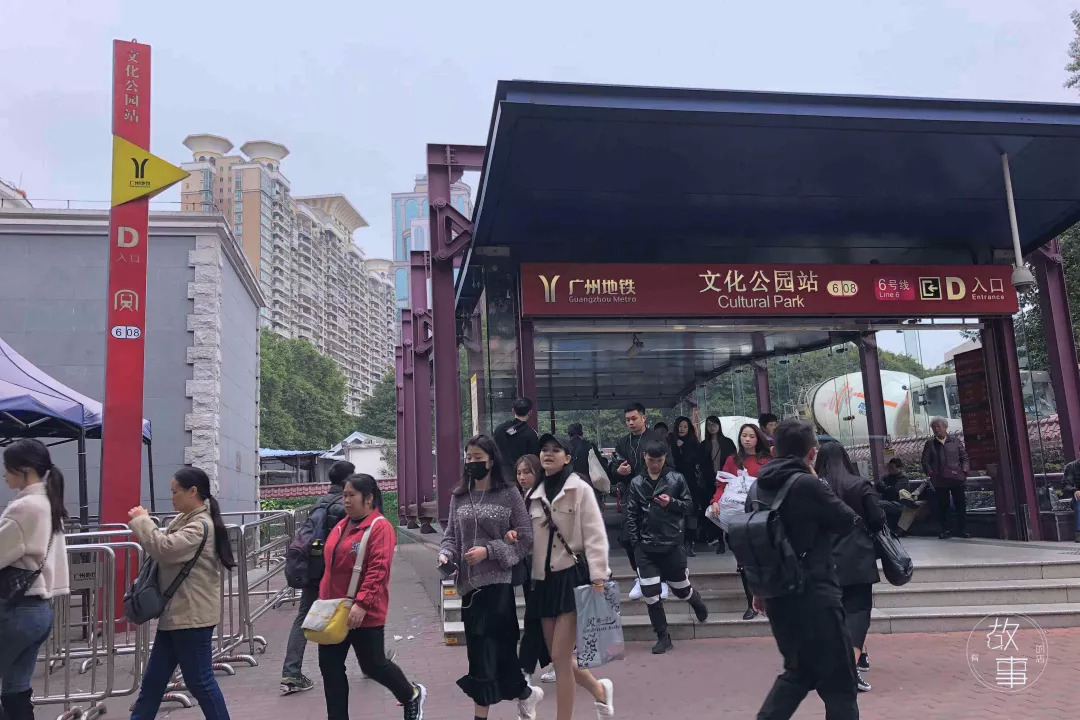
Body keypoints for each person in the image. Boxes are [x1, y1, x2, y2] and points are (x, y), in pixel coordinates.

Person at [750, 419, 862, 720]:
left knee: (798, 672)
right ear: (812, 453)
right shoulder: (808, 484)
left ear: (774, 451)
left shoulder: (757, 487)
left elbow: (755, 544)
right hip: (816, 594)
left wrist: (759, 589)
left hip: (776, 593)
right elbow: (847, 520)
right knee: (840, 683)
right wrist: (816, 480)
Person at [439, 436, 543, 720]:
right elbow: (450, 536)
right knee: (491, 654)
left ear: (491, 460)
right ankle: (525, 693)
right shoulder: (459, 495)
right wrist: (446, 554)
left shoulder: (508, 493)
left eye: (478, 457)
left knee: (486, 654)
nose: (472, 462)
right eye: (468, 457)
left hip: (498, 586)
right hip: (468, 587)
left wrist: (489, 551)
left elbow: (526, 538)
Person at [128, 467, 235, 720]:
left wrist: (142, 521)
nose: (172, 497)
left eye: (175, 492)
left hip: (191, 617)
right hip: (177, 614)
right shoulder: (186, 519)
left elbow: (165, 548)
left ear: (192, 492)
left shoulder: (199, 526)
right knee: (153, 684)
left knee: (200, 682)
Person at [317, 474, 426, 720]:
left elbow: (378, 570)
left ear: (368, 498)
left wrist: (362, 603)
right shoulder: (342, 525)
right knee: (330, 667)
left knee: (373, 665)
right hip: (335, 610)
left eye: (351, 495)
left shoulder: (380, 527)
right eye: (344, 495)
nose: (346, 500)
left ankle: (410, 695)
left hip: (364, 613)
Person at [522, 434, 615, 720]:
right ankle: (599, 690)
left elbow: (595, 534)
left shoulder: (579, 488)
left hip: (571, 578)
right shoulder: (533, 493)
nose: (548, 454)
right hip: (543, 582)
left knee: (561, 658)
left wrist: (599, 577)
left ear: (568, 457)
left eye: (556, 450)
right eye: (544, 450)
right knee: (557, 656)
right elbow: (528, 538)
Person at [0, 439, 70, 720]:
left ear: (25, 469)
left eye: (7, 468)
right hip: (37, 611)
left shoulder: (25, 507)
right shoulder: (48, 503)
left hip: (15, 611)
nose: (4, 474)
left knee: (15, 691)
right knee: (16, 690)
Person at [625, 440, 709, 654]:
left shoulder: (676, 478)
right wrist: (636, 544)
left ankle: (695, 600)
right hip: (645, 546)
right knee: (650, 594)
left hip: (671, 543)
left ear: (665, 459)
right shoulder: (636, 482)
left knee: (680, 589)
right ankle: (663, 636)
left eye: (659, 460)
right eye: (651, 460)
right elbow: (631, 514)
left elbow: (689, 506)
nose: (654, 464)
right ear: (644, 457)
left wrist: (671, 502)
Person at [815, 442, 886, 693]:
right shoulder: (859, 485)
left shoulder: (813, 488)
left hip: (823, 559)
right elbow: (877, 518)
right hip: (858, 558)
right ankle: (849, 667)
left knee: (832, 614)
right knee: (858, 612)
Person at [280, 460, 351, 695]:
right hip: (333, 572)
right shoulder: (344, 506)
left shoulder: (320, 503)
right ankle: (375, 663)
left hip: (312, 570)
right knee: (356, 611)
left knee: (303, 617)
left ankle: (291, 673)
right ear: (346, 480)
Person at [610, 402, 671, 599]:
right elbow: (614, 468)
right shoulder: (623, 442)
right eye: (627, 420)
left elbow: (670, 466)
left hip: (655, 494)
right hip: (632, 495)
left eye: (634, 418)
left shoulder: (657, 439)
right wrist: (619, 471)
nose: (630, 422)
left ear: (644, 418)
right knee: (628, 538)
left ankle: (661, 580)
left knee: (656, 538)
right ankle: (641, 576)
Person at [714, 423, 771, 619]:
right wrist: (716, 501)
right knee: (745, 563)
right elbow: (722, 485)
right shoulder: (733, 460)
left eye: (751, 436)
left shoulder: (767, 460)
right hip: (739, 518)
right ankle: (750, 605)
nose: (747, 439)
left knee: (763, 561)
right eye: (744, 435)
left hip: (761, 516)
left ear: (758, 439)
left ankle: (767, 601)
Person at [512, 456, 557, 686]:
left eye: (527, 472)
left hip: (546, 567)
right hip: (529, 566)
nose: (522, 477)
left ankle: (525, 669)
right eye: (519, 472)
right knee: (540, 617)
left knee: (534, 617)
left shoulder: (543, 498)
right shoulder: (520, 497)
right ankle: (555, 662)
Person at [920, 417, 971, 539]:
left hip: (956, 478)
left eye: (938, 426)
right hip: (939, 480)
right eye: (934, 427)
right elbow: (925, 461)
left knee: (960, 504)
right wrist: (931, 473)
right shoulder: (930, 444)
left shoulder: (955, 441)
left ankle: (962, 529)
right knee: (943, 505)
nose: (936, 429)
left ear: (945, 427)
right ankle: (945, 530)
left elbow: (964, 457)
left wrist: (964, 471)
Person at [699, 415, 737, 553]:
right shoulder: (704, 445)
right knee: (715, 512)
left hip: (726, 481)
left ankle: (729, 537)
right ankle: (720, 540)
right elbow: (701, 464)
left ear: (719, 426)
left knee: (728, 509)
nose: (712, 427)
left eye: (714, 424)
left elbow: (734, 462)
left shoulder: (728, 443)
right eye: (709, 425)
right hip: (709, 482)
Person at [669, 415, 703, 556]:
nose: (682, 429)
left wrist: (683, 447)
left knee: (691, 512)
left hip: (691, 482)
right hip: (674, 482)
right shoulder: (670, 442)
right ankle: (679, 543)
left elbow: (694, 460)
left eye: (685, 426)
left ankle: (690, 543)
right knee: (676, 512)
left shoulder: (694, 444)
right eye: (680, 426)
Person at [494, 398, 541, 475]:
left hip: (500, 475)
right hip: (520, 475)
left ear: (513, 411)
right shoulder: (531, 434)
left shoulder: (499, 429)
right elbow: (534, 459)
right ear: (530, 412)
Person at [567, 423, 608, 502]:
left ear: (569, 435)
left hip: (569, 486)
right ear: (582, 434)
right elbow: (600, 464)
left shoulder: (564, 447)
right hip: (588, 486)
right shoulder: (589, 445)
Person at [1063, 454, 1080, 543]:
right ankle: (1079, 533)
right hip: (1077, 498)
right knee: (1078, 500)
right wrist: (1075, 490)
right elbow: (1066, 485)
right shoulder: (1071, 466)